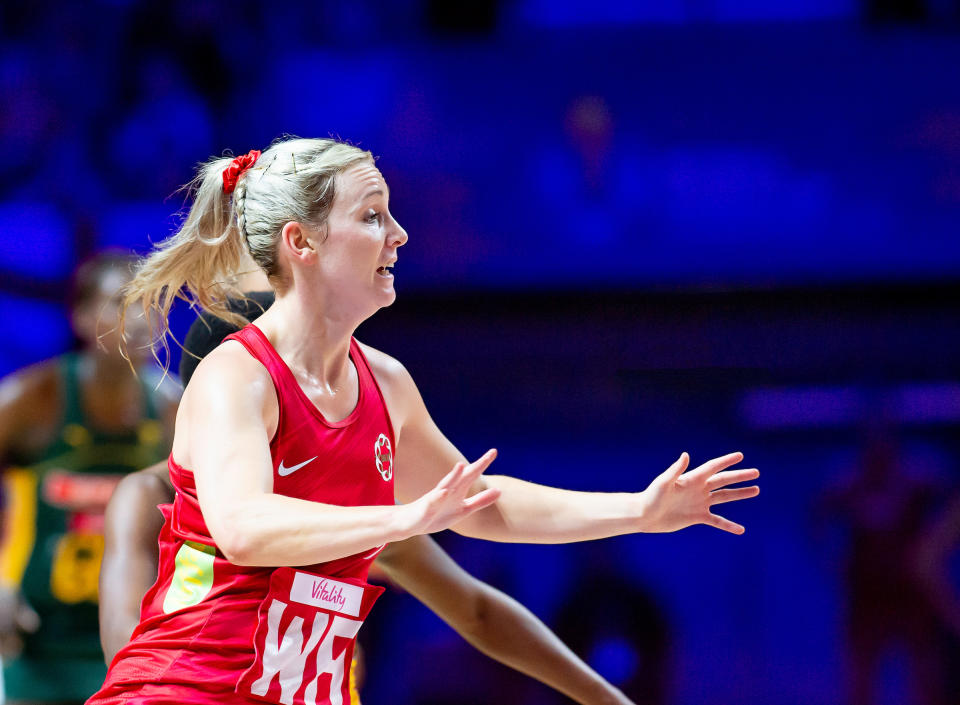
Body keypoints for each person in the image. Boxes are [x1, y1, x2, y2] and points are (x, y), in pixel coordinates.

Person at [88, 137, 759, 705]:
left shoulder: (386, 383)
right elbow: (242, 528)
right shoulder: (239, 374)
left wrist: (637, 509)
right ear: (302, 242)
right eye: (374, 216)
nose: (400, 234)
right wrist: (403, 517)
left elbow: (478, 507)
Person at [99, 285, 637, 705]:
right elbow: (129, 639)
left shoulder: (351, 505)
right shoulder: (150, 493)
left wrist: (605, 697)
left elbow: (476, 609)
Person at [0, 252, 178, 704]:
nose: (138, 318)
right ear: (80, 317)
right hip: (30, 643)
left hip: (131, 645)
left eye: (150, 303)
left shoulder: (176, 408)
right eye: (120, 302)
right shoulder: (32, 399)